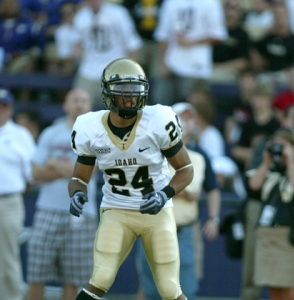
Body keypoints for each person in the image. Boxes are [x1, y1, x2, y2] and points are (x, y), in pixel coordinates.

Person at [68, 58, 193, 300]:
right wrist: (76, 193)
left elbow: (186, 168)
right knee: (101, 277)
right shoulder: (89, 127)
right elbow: (79, 179)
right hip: (117, 209)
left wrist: (164, 193)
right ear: (107, 94)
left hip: (156, 212)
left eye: (135, 91)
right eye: (122, 92)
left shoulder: (158, 120)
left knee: (169, 288)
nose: (130, 98)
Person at [136, 102, 220, 300]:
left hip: (184, 229)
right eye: (180, 117)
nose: (185, 122)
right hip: (152, 228)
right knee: (151, 289)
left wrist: (214, 218)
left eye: (189, 118)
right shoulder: (151, 150)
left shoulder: (200, 155)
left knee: (186, 289)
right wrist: (177, 189)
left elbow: (212, 188)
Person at [26, 88, 98, 300]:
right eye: (74, 100)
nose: (79, 104)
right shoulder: (51, 133)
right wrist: (71, 170)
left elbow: (89, 173)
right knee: (36, 273)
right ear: (65, 105)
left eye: (84, 100)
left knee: (73, 279)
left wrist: (54, 163)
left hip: (81, 214)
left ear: (89, 107)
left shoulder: (97, 135)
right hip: (47, 209)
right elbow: (35, 172)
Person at [245, 128, 294, 300]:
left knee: (291, 290)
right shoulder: (270, 169)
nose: (279, 150)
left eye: (284, 145)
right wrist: (265, 162)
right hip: (267, 236)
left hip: (290, 239)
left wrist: (290, 162)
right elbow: (253, 187)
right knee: (273, 288)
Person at [151, 0, 227, 106]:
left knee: (192, 109)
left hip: (196, 67)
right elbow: (163, 34)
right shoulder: (171, 3)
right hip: (171, 63)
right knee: (161, 105)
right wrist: (163, 62)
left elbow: (218, 34)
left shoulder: (211, 3)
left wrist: (192, 42)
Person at [0, 88, 36, 300]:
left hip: (9, 201)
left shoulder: (20, 135)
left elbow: (31, 174)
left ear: (11, 109)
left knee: (7, 257)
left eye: (3, 106)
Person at [71, 0, 142, 107]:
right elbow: (75, 43)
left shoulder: (119, 14)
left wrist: (130, 75)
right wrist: (79, 54)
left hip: (115, 72)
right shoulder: (81, 16)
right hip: (88, 71)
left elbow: (132, 45)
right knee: (78, 107)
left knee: (118, 111)